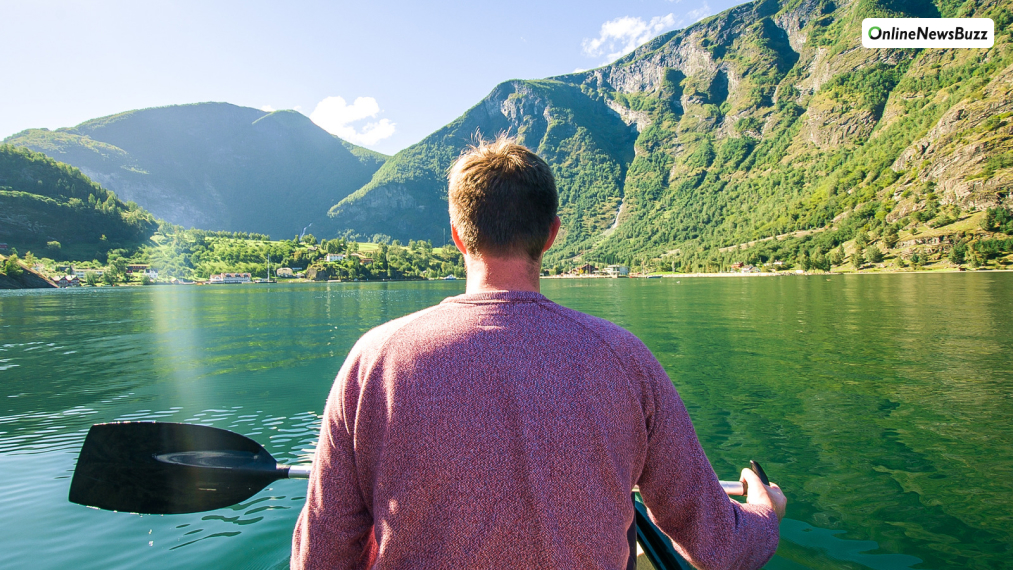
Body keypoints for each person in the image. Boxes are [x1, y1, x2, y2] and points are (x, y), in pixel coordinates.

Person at [291, 136, 786, 570]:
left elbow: (321, 557)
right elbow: (718, 546)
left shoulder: (374, 360)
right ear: (551, 234)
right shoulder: (624, 359)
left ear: (458, 236)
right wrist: (765, 512)